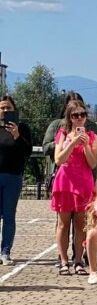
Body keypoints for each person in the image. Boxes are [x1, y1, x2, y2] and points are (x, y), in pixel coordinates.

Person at [51, 100, 97, 276]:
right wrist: (72, 143)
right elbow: (58, 160)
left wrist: (85, 144)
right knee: (63, 224)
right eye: (75, 115)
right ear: (70, 117)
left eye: (82, 114)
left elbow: (92, 163)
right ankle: (63, 261)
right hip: (65, 182)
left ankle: (78, 260)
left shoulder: (92, 136)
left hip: (84, 183)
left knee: (81, 225)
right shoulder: (62, 134)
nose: (79, 118)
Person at [0, 95, 33, 265]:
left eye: (8, 108)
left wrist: (17, 135)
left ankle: (5, 251)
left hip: (13, 177)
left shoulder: (22, 128)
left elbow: (27, 152)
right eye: (2, 108)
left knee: (9, 215)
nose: (5, 111)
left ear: (14, 110)